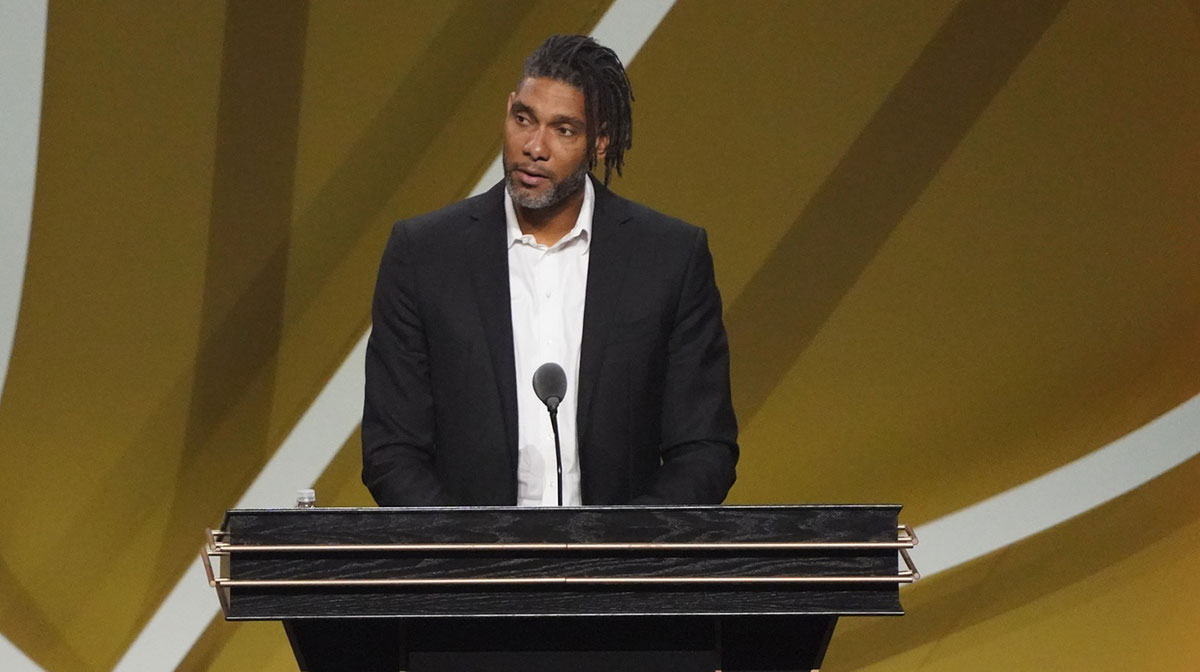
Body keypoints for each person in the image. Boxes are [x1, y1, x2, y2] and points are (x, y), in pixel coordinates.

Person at [362, 35, 737, 507]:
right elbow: (392, 450)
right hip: (466, 553)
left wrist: (621, 545)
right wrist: (465, 546)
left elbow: (704, 450)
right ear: (507, 110)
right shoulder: (424, 254)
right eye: (523, 119)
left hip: (622, 553)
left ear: (600, 141)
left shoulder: (669, 258)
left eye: (563, 130)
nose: (534, 147)